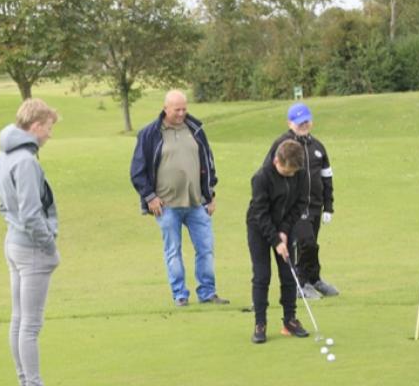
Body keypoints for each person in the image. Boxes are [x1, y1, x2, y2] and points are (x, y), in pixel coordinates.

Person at [0, 98, 74, 386]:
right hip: (31, 249)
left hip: (13, 243)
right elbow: (30, 213)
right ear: (36, 126)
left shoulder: (2, 156)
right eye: (49, 127)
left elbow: (5, 208)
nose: (50, 134)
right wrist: (48, 246)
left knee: (19, 319)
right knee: (30, 325)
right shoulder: (26, 161)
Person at [130, 90, 229, 307]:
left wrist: (210, 195)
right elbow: (137, 171)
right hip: (166, 206)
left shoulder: (195, 130)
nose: (182, 113)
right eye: (177, 110)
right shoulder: (149, 134)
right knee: (173, 251)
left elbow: (208, 163)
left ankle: (207, 292)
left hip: (196, 203)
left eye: (184, 109)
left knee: (206, 249)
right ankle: (180, 295)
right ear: (165, 108)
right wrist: (150, 197)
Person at [262, 102, 339, 299]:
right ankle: (300, 283)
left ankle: (314, 279)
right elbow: (267, 173)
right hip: (294, 207)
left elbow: (327, 177)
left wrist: (328, 206)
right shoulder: (282, 145)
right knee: (305, 243)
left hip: (315, 205)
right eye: (299, 122)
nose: (303, 125)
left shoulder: (318, 147)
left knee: (312, 245)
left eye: (306, 121)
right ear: (290, 123)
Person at [247, 139, 310, 343]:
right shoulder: (261, 178)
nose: (290, 175)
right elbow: (261, 213)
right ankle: (260, 323)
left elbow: (300, 204)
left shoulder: (301, 174)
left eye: (293, 172)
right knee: (262, 275)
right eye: (286, 171)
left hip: (284, 227)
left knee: (288, 273)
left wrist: (284, 230)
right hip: (259, 227)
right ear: (276, 161)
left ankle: (290, 320)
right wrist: (276, 240)